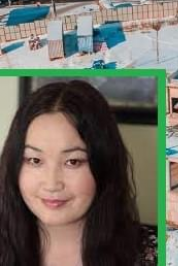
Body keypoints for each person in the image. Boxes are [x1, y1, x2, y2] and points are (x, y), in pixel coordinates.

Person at [0, 81, 157, 265]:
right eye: (35, 160)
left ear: (104, 164)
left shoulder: (160, 252)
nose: (52, 184)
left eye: (72, 162)